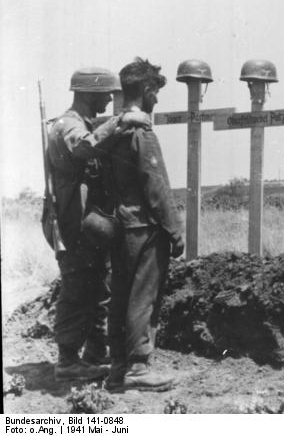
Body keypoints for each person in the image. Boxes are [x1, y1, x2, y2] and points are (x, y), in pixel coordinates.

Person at [46, 67, 151, 381]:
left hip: (88, 224)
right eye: (107, 92)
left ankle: (93, 354)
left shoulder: (87, 125)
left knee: (98, 288)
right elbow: (83, 148)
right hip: (71, 224)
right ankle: (67, 361)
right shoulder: (67, 126)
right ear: (89, 92)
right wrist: (120, 121)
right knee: (78, 288)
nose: (110, 97)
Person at [105, 57, 184, 392]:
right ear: (147, 89)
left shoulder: (114, 129)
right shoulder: (142, 132)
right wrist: (174, 229)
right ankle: (138, 368)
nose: (157, 99)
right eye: (155, 91)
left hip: (120, 224)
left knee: (121, 296)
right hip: (144, 227)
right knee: (143, 297)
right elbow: (156, 186)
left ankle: (118, 369)